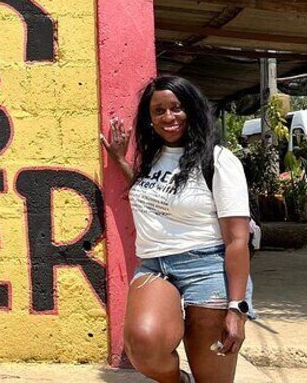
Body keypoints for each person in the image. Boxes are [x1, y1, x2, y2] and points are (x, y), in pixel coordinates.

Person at [101, 75, 255, 383]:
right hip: (155, 267)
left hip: (208, 270)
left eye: (176, 108)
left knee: (213, 378)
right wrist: (120, 160)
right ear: (150, 118)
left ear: (193, 110)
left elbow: (238, 239)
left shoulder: (220, 161)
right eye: (159, 111)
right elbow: (157, 194)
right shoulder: (155, 157)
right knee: (142, 345)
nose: (168, 117)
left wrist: (236, 309)